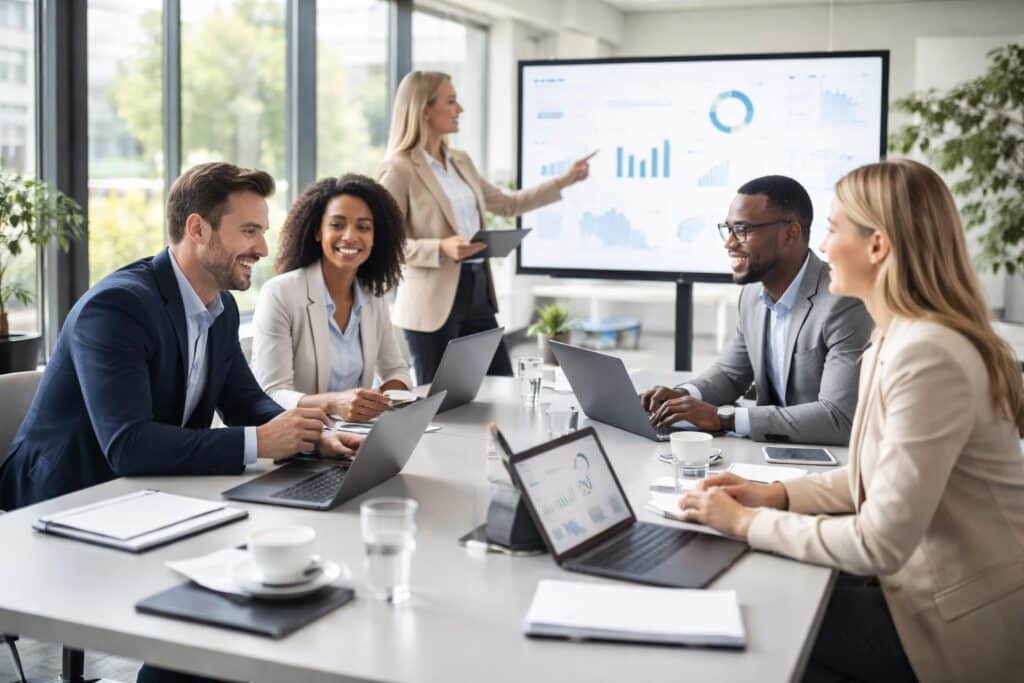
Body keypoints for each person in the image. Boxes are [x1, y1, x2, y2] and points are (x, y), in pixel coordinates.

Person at [0, 163, 361, 683]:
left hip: (145, 494)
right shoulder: (118, 307)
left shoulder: (220, 308)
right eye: (249, 231)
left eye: (262, 231)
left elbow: (246, 403)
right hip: (65, 500)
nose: (263, 248)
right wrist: (261, 441)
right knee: (225, 602)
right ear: (197, 229)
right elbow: (127, 445)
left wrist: (310, 435)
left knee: (256, 575)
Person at [679, 159, 1024, 682]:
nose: (822, 245)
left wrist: (746, 523)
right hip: (914, 586)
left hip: (954, 623)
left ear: (877, 246)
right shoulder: (896, 336)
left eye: (834, 229)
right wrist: (774, 495)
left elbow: (879, 543)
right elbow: (874, 476)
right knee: (757, 589)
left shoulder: (929, 354)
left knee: (760, 630)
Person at [378, 70, 592, 384]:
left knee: (500, 383)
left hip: (477, 289)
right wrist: (440, 248)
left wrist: (564, 180)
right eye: (451, 101)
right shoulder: (400, 168)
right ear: (424, 110)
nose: (460, 109)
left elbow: (507, 204)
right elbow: (385, 244)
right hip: (430, 303)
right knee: (438, 397)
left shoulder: (460, 161)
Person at [640, 175, 873, 445]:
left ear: (790, 233)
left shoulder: (843, 301)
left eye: (742, 229)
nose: (729, 243)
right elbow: (730, 375)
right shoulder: (752, 295)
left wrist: (723, 419)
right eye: (728, 229)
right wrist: (681, 397)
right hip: (769, 450)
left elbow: (838, 418)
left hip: (826, 457)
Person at [252, 174, 412, 422]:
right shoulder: (280, 293)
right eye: (337, 225)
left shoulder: (373, 296)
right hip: (300, 433)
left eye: (363, 227)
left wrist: (376, 401)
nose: (350, 236)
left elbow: (396, 371)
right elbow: (272, 393)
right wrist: (334, 403)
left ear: (375, 237)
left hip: (356, 431)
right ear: (318, 231)